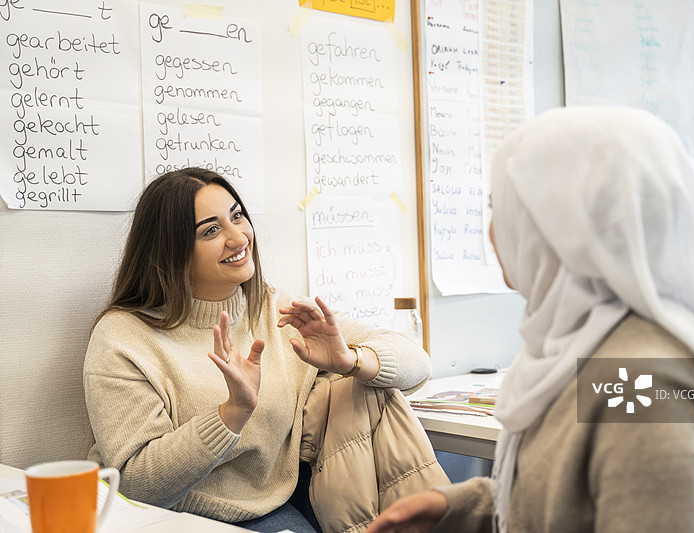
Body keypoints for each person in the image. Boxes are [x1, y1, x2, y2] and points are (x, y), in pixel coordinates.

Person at [366, 106, 694, 533]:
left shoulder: (641, 383)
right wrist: (455, 506)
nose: (492, 231)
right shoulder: (582, 340)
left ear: (562, 225)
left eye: (501, 209)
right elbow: (565, 501)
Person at [83, 167, 436, 533]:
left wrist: (350, 360)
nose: (239, 237)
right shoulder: (123, 337)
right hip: (162, 518)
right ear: (171, 252)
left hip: (264, 511)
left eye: (237, 216)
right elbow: (137, 482)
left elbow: (417, 362)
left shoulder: (277, 311)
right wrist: (231, 413)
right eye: (211, 230)